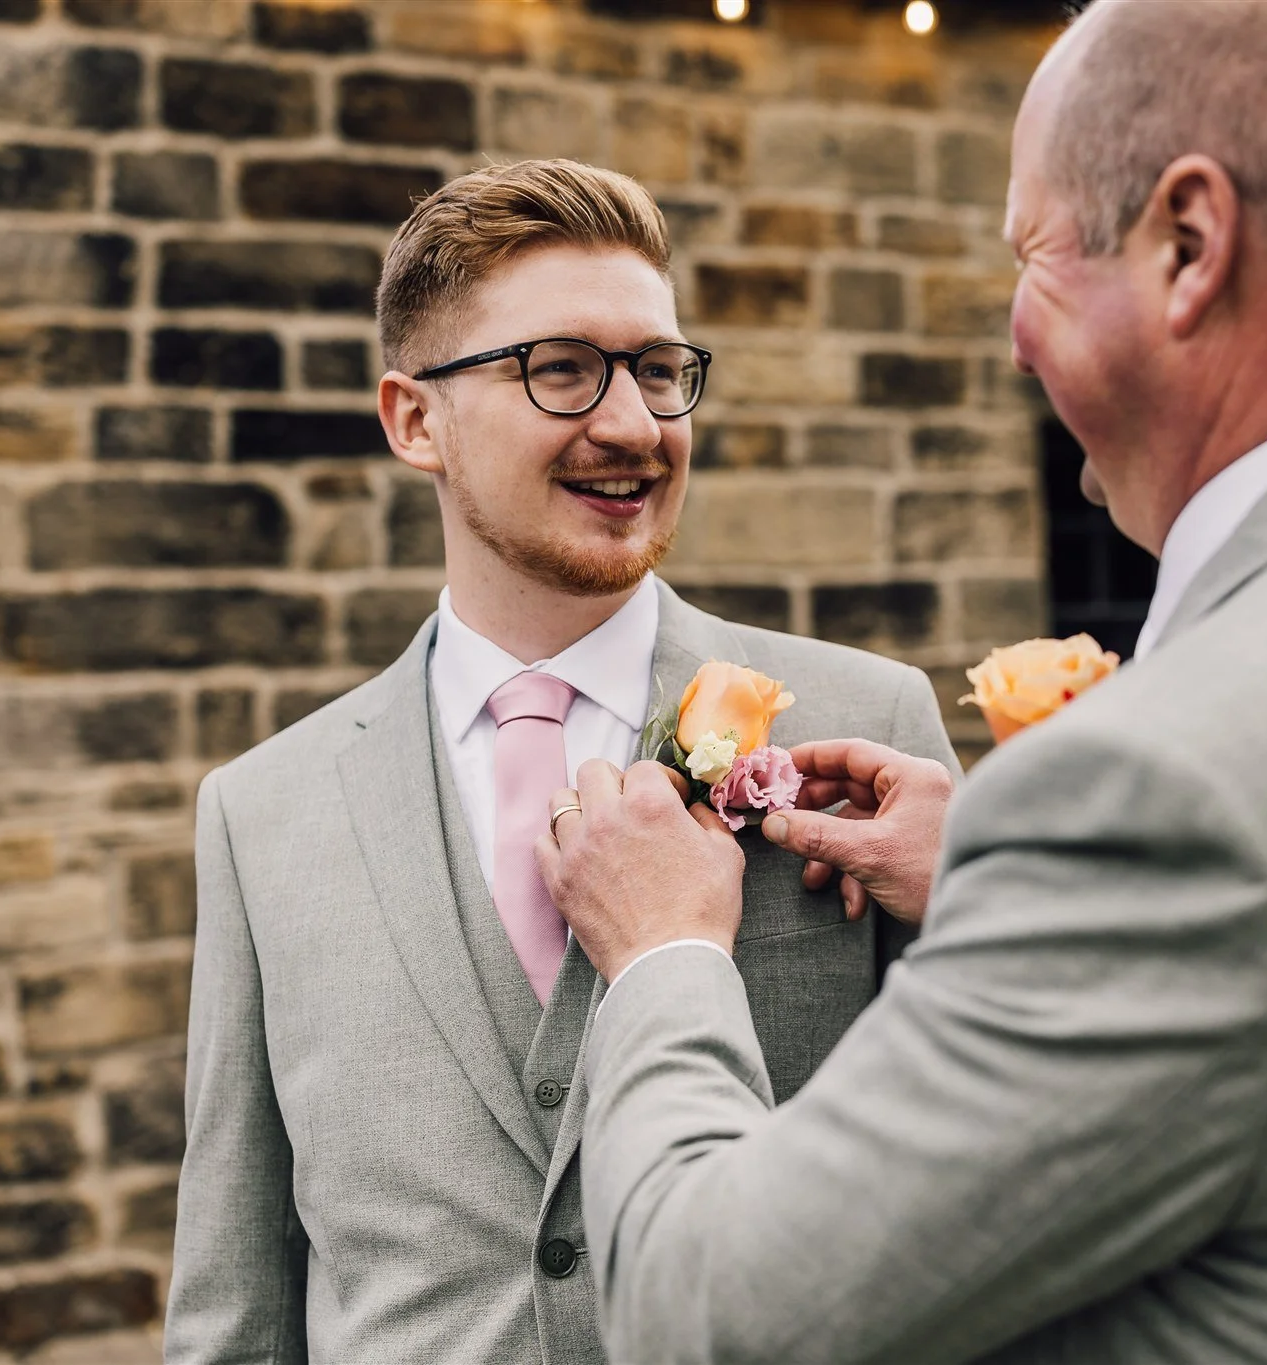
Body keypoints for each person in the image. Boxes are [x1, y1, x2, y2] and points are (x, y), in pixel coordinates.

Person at [538, 3, 1267, 1362]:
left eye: (1034, 253)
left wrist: (667, 954)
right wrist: (1001, 872)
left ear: (1187, 246)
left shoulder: (1166, 789)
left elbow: (713, 1317)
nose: (1011, 335)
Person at [163, 160, 957, 1365]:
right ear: (414, 419)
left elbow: (993, 1166)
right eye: (561, 370)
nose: (634, 425)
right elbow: (234, 1307)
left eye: (656, 370)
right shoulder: (261, 813)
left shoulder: (867, 722)